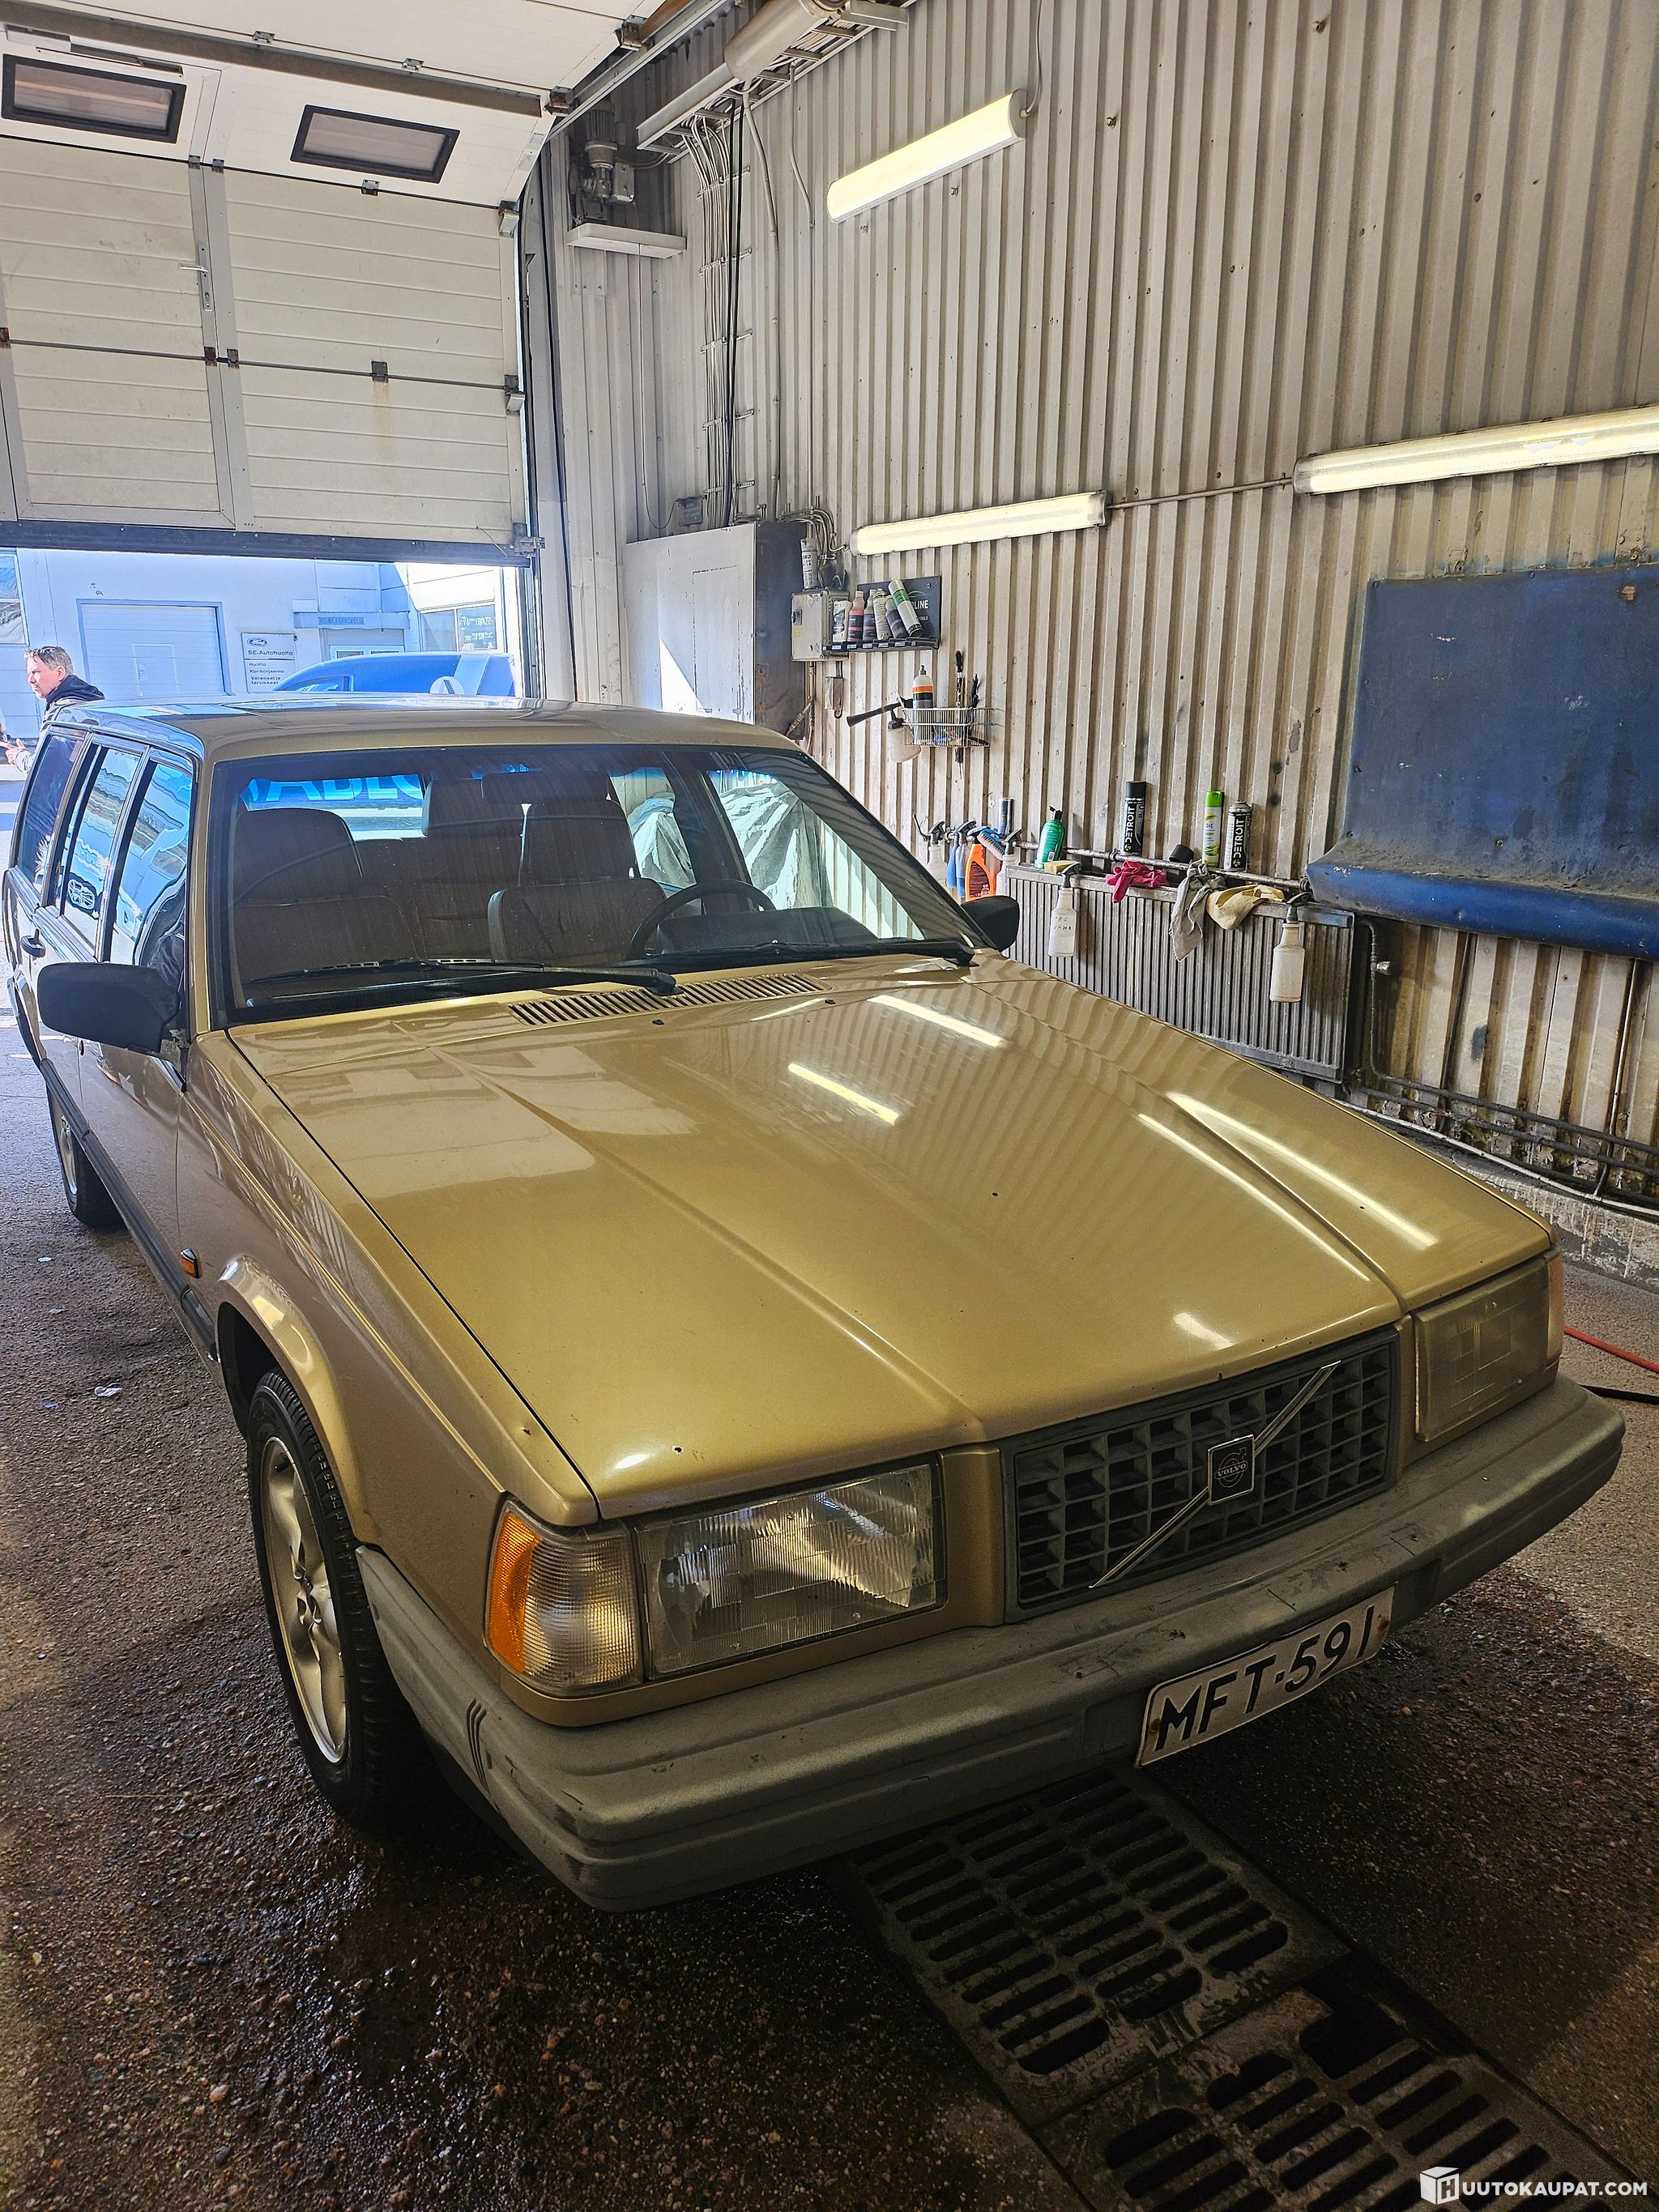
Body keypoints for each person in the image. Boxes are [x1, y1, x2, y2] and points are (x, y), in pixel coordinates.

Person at [5, 646, 103, 770]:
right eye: (29, 674)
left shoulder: (64, 713)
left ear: (59, 673)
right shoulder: (94, 703)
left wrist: (18, 757)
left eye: (35, 672)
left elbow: (42, 766)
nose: (30, 680)